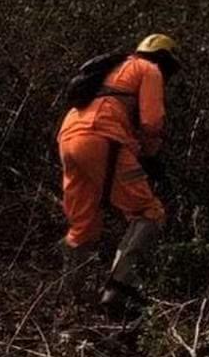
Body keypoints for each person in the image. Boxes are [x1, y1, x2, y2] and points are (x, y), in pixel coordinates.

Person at [57, 33, 181, 317]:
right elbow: (152, 122)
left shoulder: (112, 68)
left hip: (69, 137)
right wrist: (150, 156)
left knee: (82, 226)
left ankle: (69, 304)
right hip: (103, 138)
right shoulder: (149, 69)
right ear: (166, 60)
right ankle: (119, 288)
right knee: (149, 213)